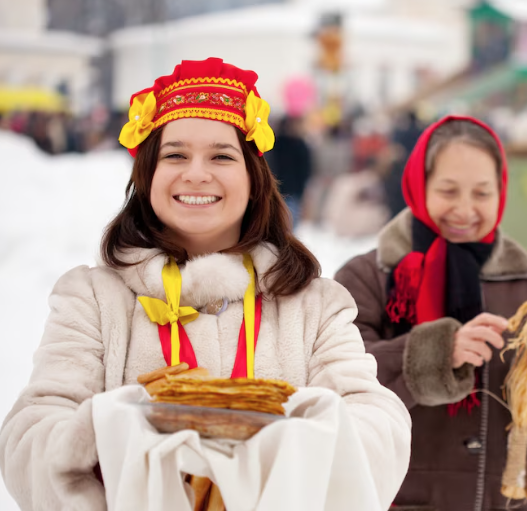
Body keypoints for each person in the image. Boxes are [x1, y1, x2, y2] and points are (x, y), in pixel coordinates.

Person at [0, 58, 410, 511]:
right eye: (175, 155)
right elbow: (29, 436)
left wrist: (291, 450)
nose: (196, 173)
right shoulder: (91, 299)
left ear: (253, 179)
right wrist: (111, 435)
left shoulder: (317, 305)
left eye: (221, 155)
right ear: (147, 175)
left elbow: (379, 425)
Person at [334, 116, 527, 511]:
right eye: (448, 190)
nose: (464, 209)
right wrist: (437, 354)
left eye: (482, 193)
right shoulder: (370, 276)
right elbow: (335, 390)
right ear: (418, 186)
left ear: (501, 192)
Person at [266, 115, 313, 225]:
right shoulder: (278, 143)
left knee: (291, 220)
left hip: (293, 189)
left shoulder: (301, 145)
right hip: (279, 187)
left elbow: (306, 169)